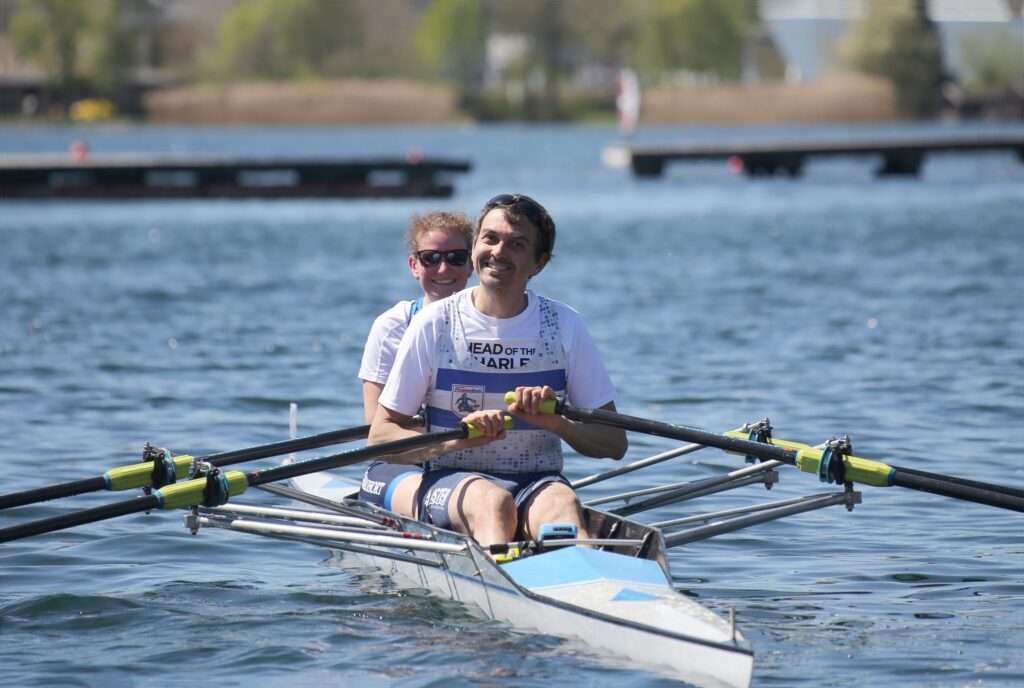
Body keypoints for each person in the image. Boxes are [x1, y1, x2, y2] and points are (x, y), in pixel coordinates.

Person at [367, 193, 627, 549]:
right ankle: (500, 580)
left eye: (516, 244)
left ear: (540, 263)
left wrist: (557, 423)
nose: (498, 252)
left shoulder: (565, 325)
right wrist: (458, 438)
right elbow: (380, 437)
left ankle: (582, 583)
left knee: (563, 508)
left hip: (538, 480)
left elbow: (614, 443)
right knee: (493, 504)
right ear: (475, 247)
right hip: (450, 478)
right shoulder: (434, 323)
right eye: (490, 238)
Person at [357, 211, 474, 517]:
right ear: (414, 265)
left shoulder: (496, 327)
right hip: (399, 464)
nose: (444, 268)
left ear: (472, 263)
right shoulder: (391, 327)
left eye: (456, 257)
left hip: (471, 464)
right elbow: (376, 430)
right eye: (431, 258)